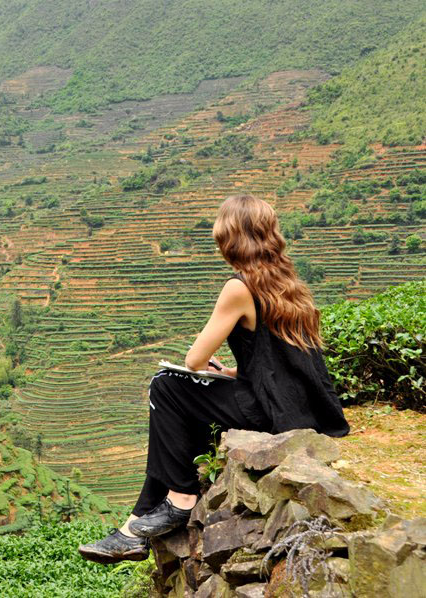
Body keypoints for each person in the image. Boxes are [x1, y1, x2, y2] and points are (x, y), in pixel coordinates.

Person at [78, 194, 350, 564]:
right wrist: (232, 373)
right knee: (179, 403)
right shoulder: (289, 283)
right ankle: (132, 531)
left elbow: (195, 358)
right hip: (299, 411)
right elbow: (283, 362)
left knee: (166, 386)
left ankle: (180, 499)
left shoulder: (240, 287)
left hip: (268, 414)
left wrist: (208, 369)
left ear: (231, 238)